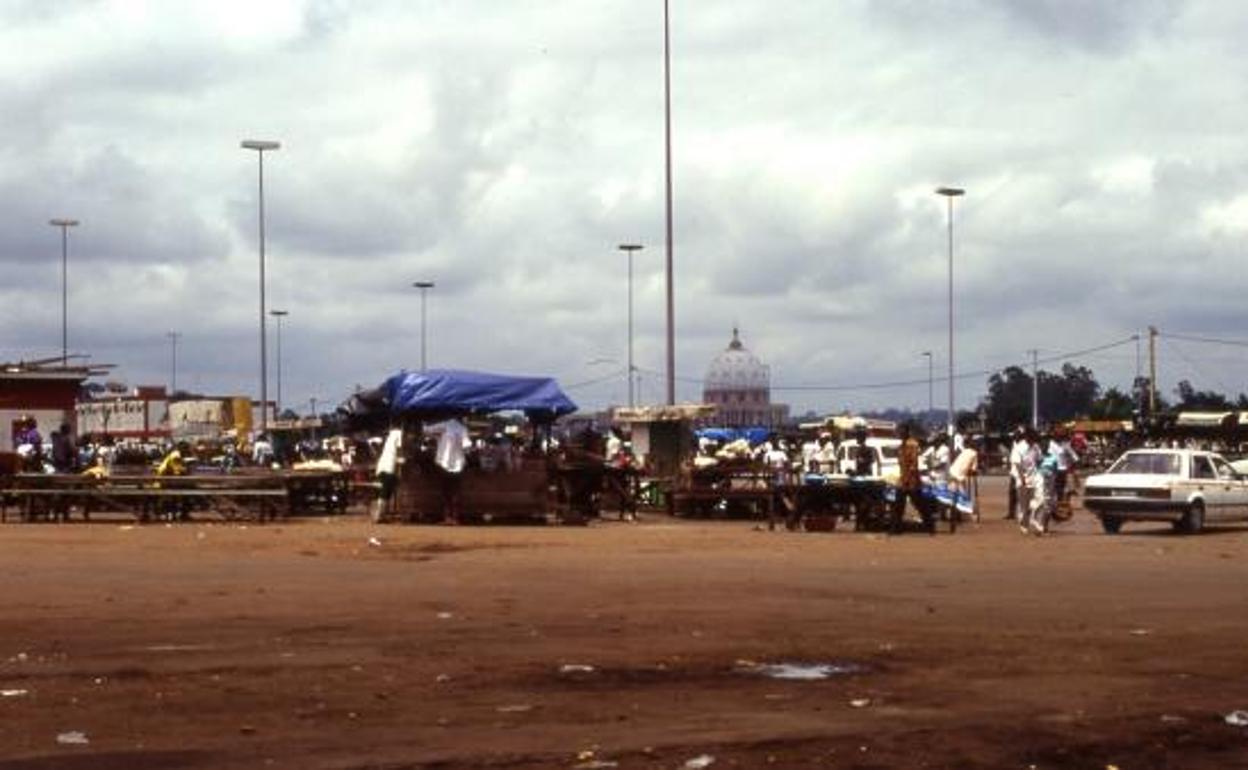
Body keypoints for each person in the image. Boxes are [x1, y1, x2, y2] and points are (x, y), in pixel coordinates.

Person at [891, 425, 932, 534]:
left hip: (912, 480)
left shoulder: (912, 444)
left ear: (907, 432)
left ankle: (930, 526)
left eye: (901, 432)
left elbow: (913, 463)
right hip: (903, 478)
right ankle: (896, 528)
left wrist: (908, 479)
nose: (899, 434)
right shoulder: (902, 445)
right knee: (898, 504)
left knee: (919, 504)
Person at [948, 436, 980, 524]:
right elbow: (973, 470)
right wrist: (972, 472)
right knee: (962, 497)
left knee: (954, 495)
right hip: (958, 476)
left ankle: (957, 516)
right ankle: (969, 515)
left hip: (952, 472)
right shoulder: (974, 453)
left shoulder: (964, 451)